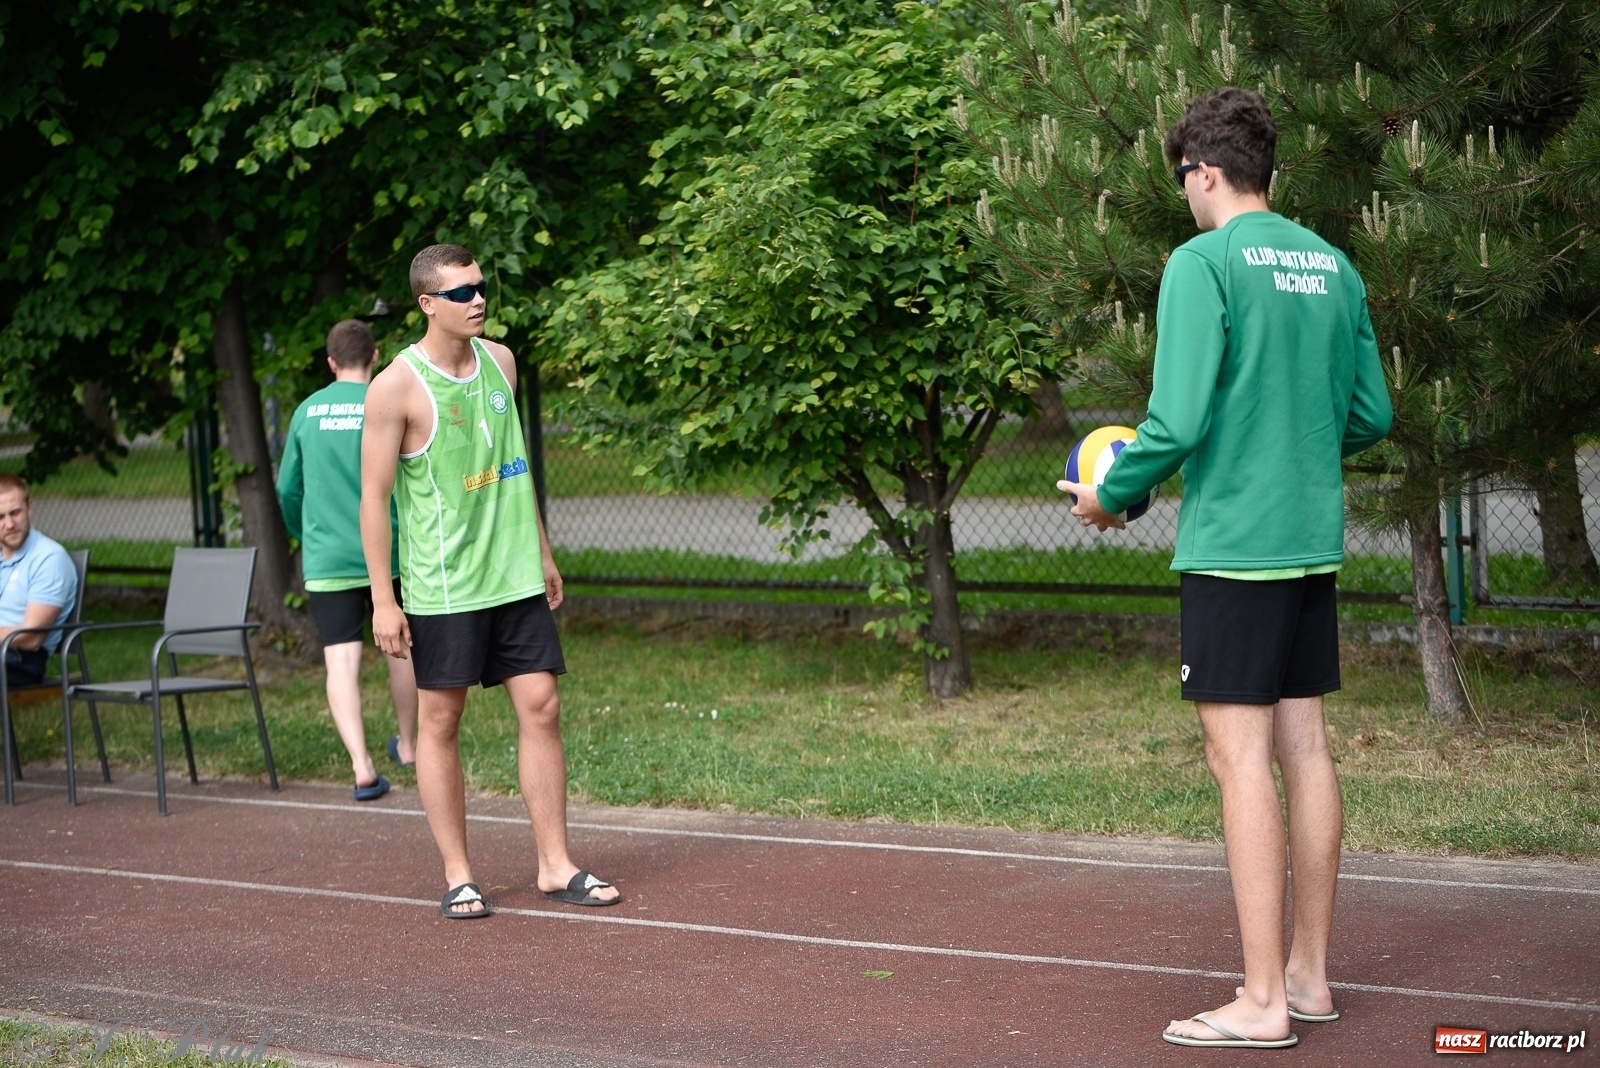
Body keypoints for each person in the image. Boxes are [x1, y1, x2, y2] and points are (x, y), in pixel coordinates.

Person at [1059, 88, 1393, 1049]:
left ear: (1203, 172)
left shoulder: (1201, 262)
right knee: (1307, 749)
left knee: (1237, 757)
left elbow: (1176, 422)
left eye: (1182, 181)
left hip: (1236, 546)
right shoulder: (1332, 263)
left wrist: (1112, 496)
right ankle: (1310, 978)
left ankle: (1261, 1001)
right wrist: (1293, 431)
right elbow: (1371, 417)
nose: (1184, 197)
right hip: (1308, 540)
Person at [360, 242, 620, 918]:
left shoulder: (501, 362)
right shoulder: (396, 385)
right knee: (440, 723)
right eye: (460, 293)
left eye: (479, 288)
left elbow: (516, 465)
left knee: (542, 706)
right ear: (426, 304)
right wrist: (384, 600)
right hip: (444, 587)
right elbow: (373, 499)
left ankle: (554, 865)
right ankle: (458, 874)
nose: (476, 300)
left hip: (514, 580)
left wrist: (541, 551)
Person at [277, 319, 419, 802]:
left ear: (331, 362)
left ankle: (361, 766)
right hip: (392, 550)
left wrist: (304, 534)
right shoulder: (387, 400)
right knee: (399, 648)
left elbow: (286, 489)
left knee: (341, 661)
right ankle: (410, 745)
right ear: (376, 356)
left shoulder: (305, 412)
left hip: (326, 556)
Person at [0, 473, 77, 686]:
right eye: (0, 517)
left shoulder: (49, 558)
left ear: (29, 508)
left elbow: (31, 638)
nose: (9, 524)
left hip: (20, 661)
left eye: (15, 513)